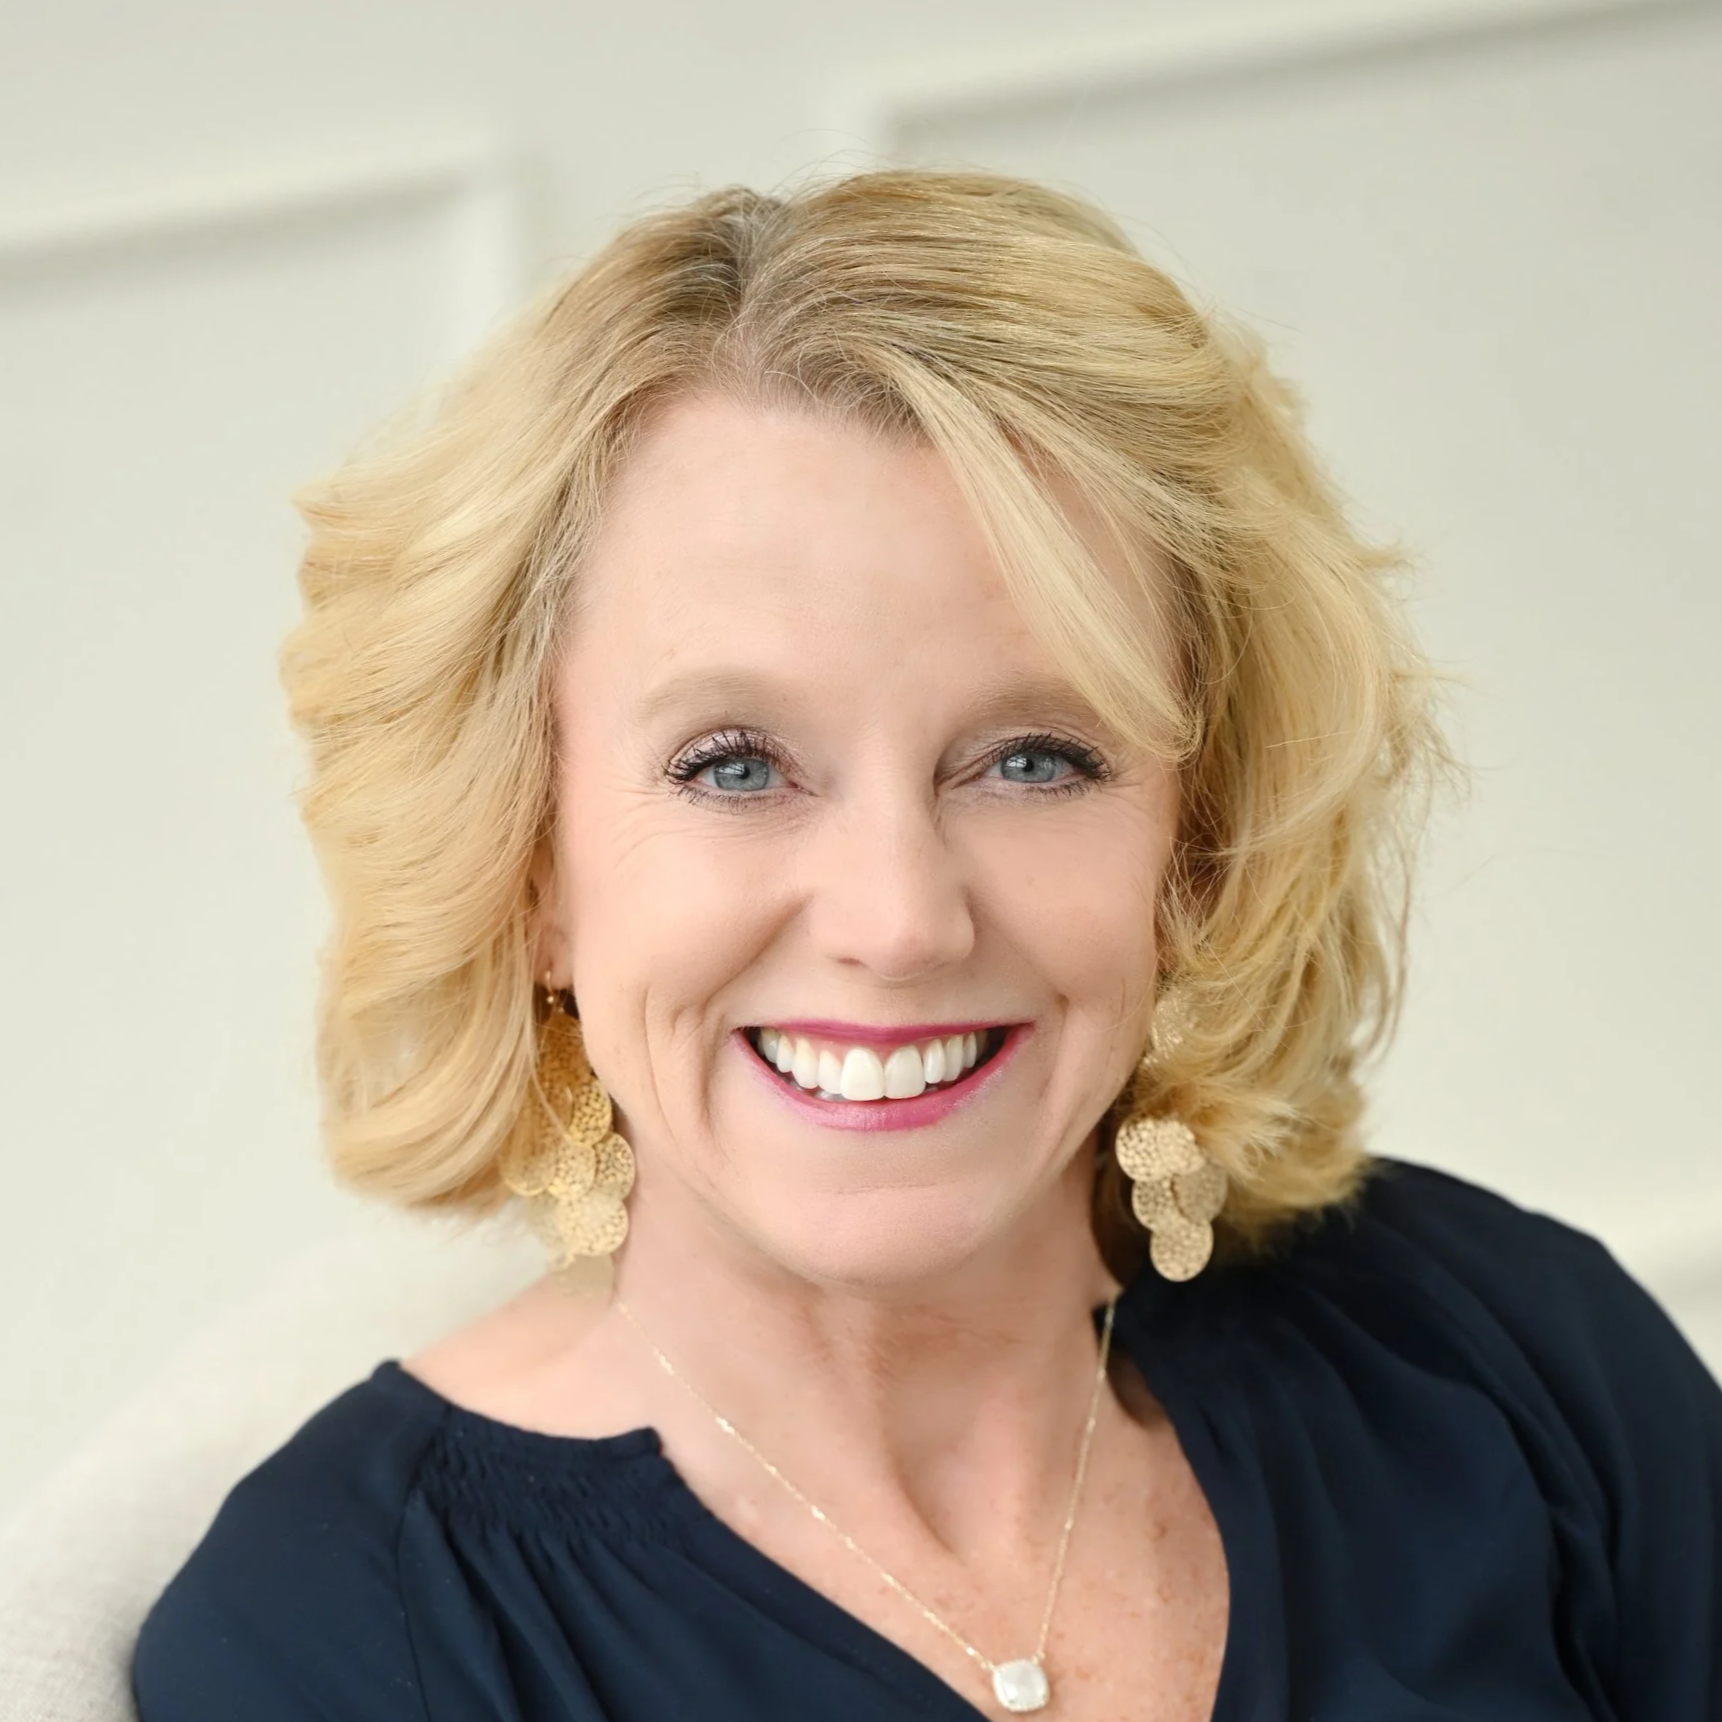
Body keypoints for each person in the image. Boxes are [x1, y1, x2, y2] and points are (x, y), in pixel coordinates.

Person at [131, 169, 1721, 1721]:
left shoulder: (1505, 1353)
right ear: (528, 865)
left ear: (1197, 839)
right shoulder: (348, 1643)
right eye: (734, 764)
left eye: (1034, 757)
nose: (898, 921)